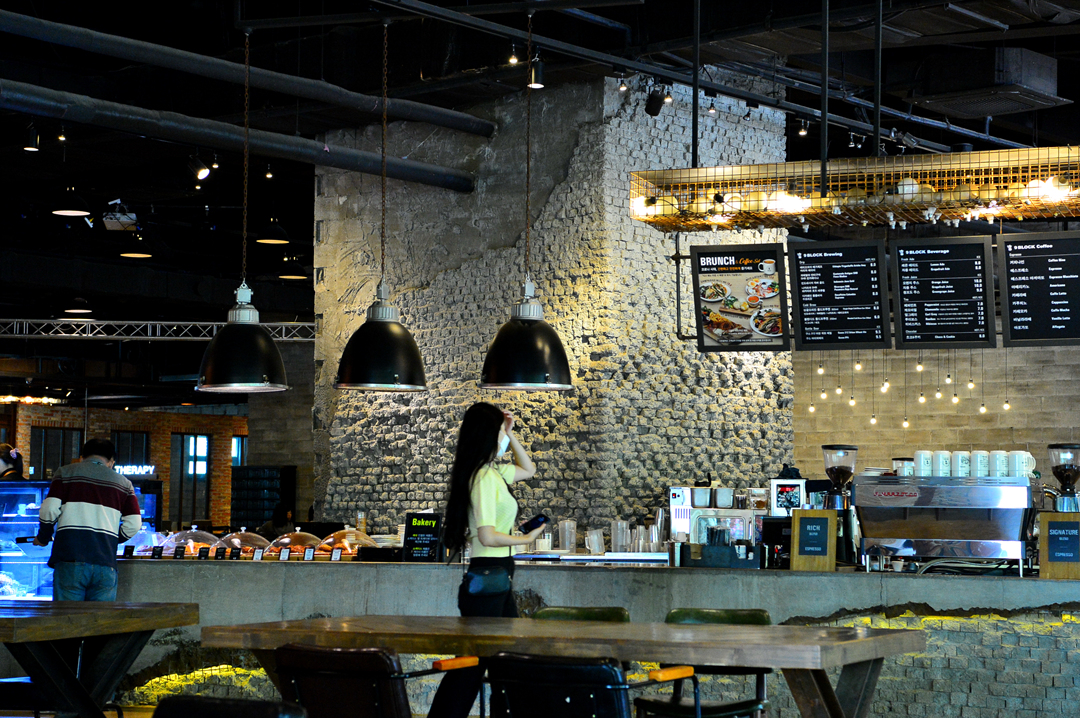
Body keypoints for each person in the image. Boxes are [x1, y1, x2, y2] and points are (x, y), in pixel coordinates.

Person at [428, 402, 543, 718]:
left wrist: (511, 433)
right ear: (486, 435)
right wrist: (526, 540)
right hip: (488, 576)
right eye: (499, 432)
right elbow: (488, 536)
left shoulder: (492, 473)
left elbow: (529, 469)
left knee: (500, 662)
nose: (502, 437)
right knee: (473, 666)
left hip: (497, 575)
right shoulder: (483, 477)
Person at [34, 438, 142, 601]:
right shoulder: (124, 483)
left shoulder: (65, 473)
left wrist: (43, 537)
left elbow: (49, 509)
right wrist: (110, 539)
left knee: (68, 616)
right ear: (111, 462)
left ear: (82, 457)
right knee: (99, 617)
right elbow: (134, 523)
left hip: (70, 559)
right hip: (106, 563)